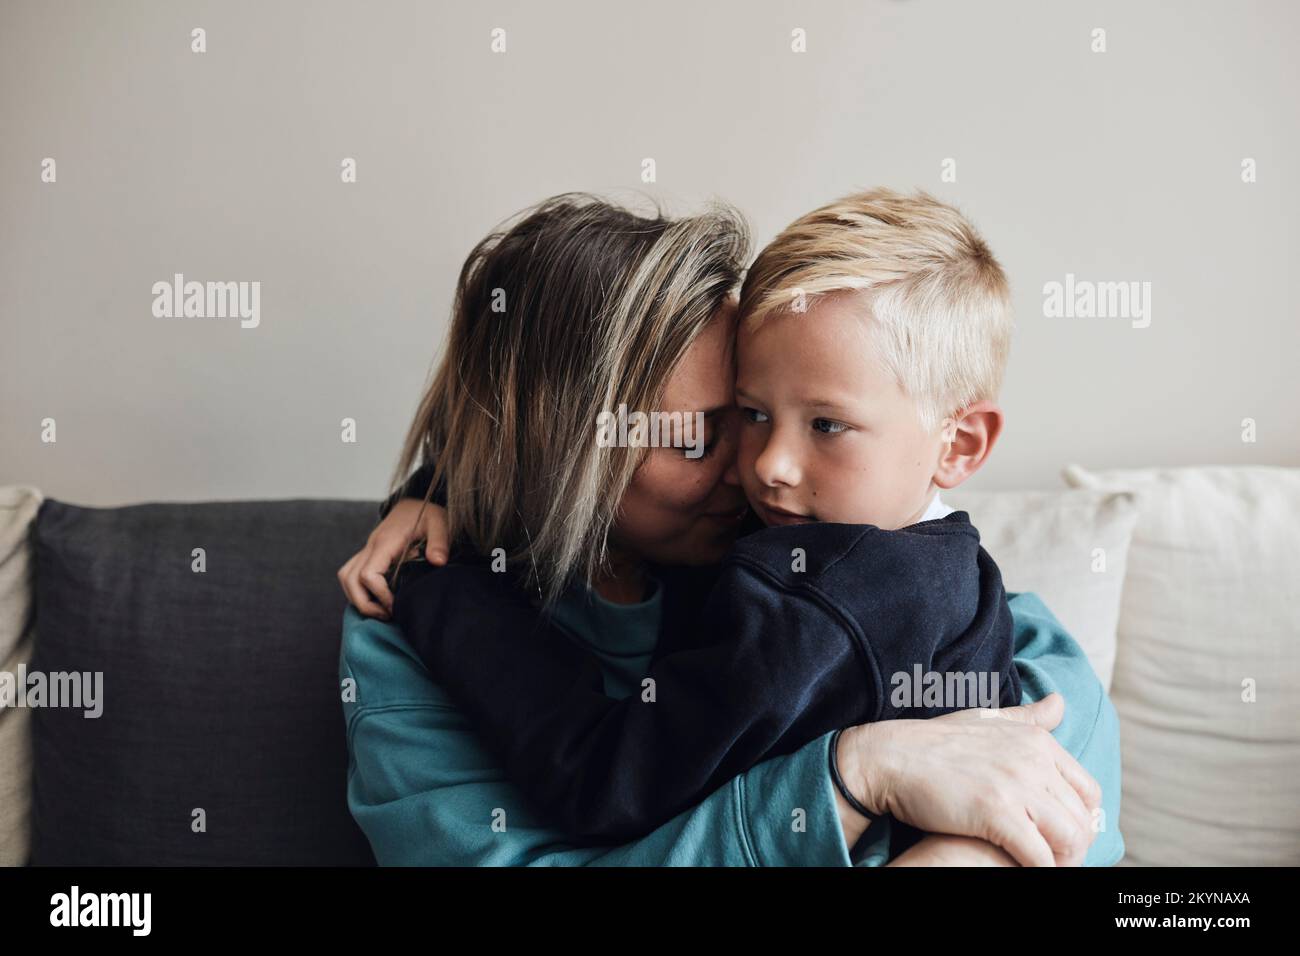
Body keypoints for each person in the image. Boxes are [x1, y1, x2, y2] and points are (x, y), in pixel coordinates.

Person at [339, 192, 1122, 866]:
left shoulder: (810, 554)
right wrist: (853, 775)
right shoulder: (402, 638)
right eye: (715, 428)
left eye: (813, 423)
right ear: (555, 454)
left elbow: (1057, 711)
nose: (760, 465)